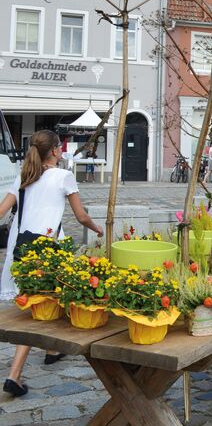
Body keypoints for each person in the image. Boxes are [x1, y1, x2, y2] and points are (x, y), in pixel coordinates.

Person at [0, 130, 104, 397]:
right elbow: (80, 216)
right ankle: (14, 375)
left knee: (44, 300)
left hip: (21, 247)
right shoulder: (63, 176)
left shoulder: (24, 175)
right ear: (56, 151)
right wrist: (97, 229)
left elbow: (1, 211)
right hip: (47, 249)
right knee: (38, 308)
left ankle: (51, 349)